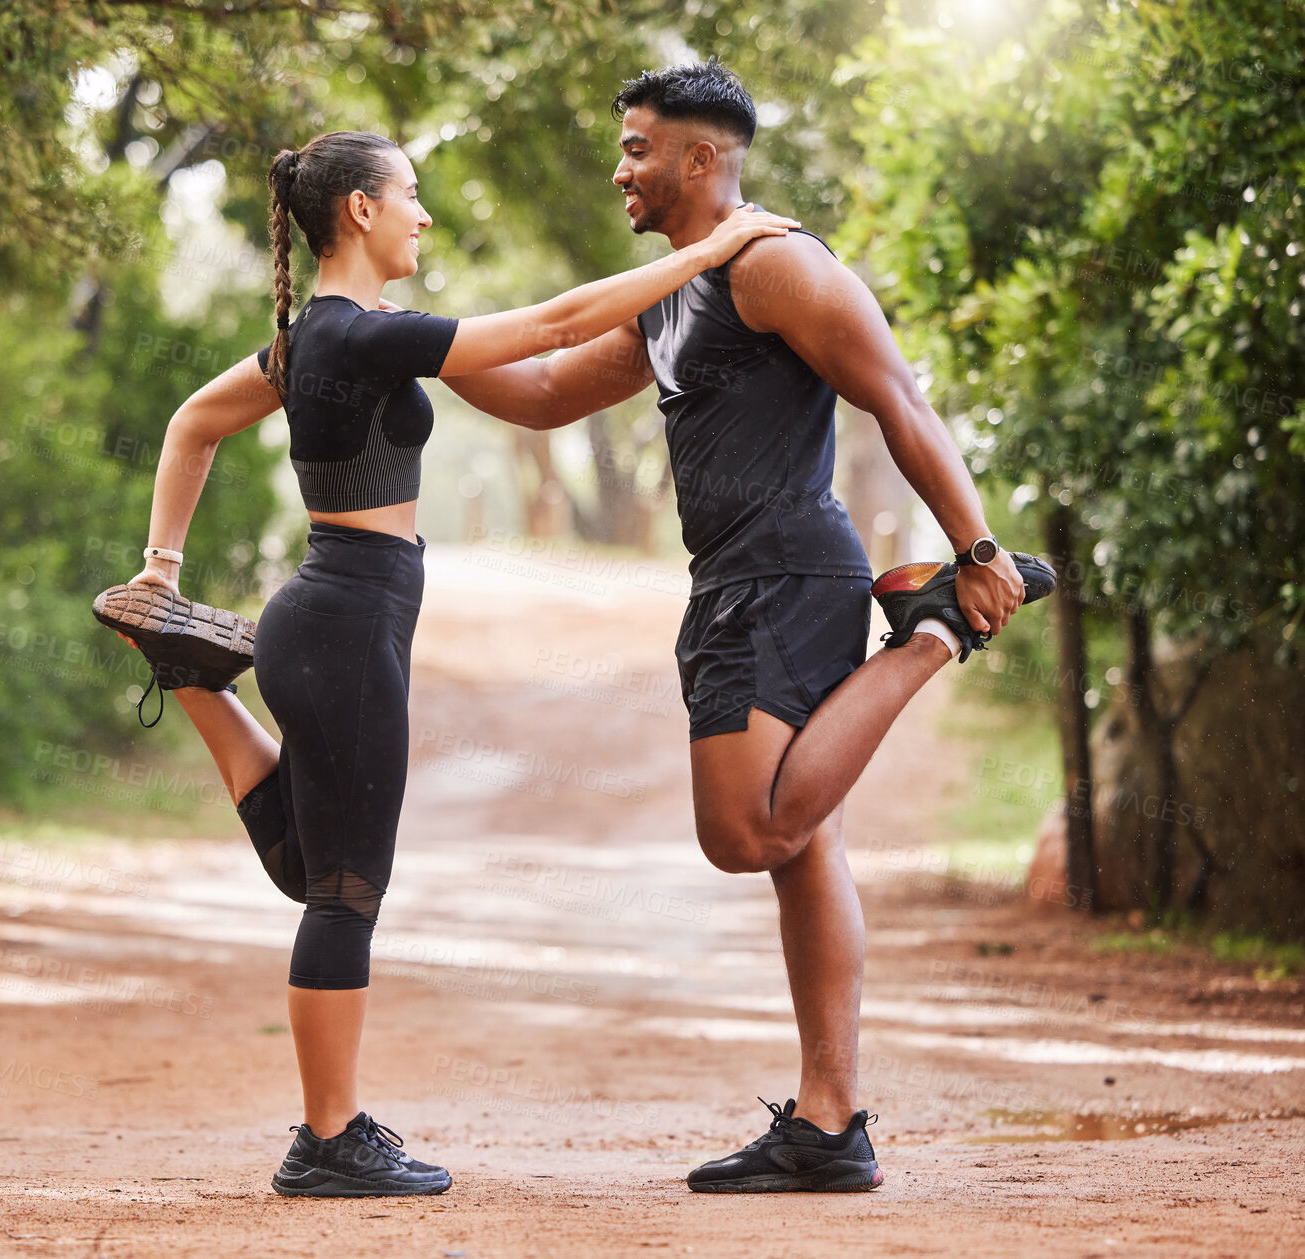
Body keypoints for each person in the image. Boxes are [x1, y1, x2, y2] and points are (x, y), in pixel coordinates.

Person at [91, 127, 799, 1198]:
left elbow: (193, 424)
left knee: (309, 867)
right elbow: (555, 325)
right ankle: (327, 1140)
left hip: (327, 621)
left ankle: (192, 675)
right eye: (410, 196)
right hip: (345, 625)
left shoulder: (314, 339)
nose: (424, 214)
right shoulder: (359, 336)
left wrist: (161, 565)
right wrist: (713, 251)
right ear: (361, 212)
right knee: (341, 892)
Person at [441, 61, 1056, 1193]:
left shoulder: (777, 264)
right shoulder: (676, 289)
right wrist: (406, 342)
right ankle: (830, 1124)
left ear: (699, 158)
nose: (620, 168)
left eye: (636, 148)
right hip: (735, 579)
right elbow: (539, 391)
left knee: (746, 832)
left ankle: (927, 635)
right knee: (803, 837)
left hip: (784, 574)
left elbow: (898, 397)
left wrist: (973, 553)